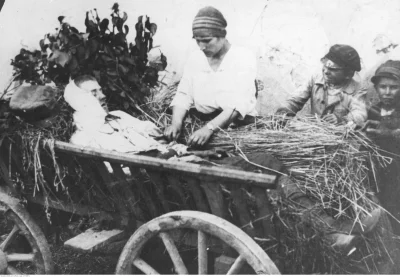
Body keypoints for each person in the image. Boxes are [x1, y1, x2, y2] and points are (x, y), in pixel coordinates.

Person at [164, 6, 258, 147]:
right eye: (197, 41)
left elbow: (238, 105)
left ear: (222, 36)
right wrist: (176, 123)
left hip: (237, 129)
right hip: (200, 125)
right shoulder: (195, 59)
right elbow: (184, 94)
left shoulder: (243, 57)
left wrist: (209, 128)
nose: (201, 46)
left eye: (207, 40)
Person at [64, 75, 167, 153]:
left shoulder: (119, 115)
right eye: (94, 93)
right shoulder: (82, 138)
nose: (103, 95)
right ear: (80, 100)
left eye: (101, 90)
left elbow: (156, 135)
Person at [277, 44, 367, 126]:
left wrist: (342, 120)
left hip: (340, 137)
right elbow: (295, 100)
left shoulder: (358, 88)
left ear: (348, 74)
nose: (326, 71)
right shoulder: (316, 79)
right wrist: (283, 112)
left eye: (333, 69)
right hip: (315, 133)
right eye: (325, 66)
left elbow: (360, 114)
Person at [363, 60, 400, 235]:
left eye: (393, 87)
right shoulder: (372, 111)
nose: (387, 92)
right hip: (379, 174)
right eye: (383, 86)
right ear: (376, 88)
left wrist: (389, 132)